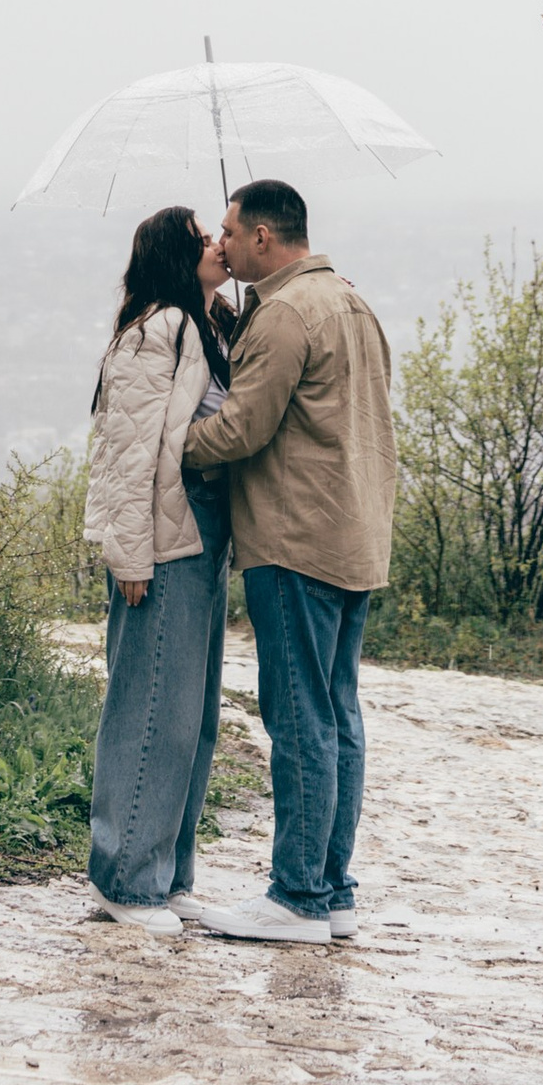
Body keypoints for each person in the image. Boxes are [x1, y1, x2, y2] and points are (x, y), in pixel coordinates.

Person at [178, 177, 396, 947]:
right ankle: (333, 888)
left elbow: (241, 429)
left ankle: (297, 895)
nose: (224, 245)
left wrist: (164, 445)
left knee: (299, 718)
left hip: (295, 539)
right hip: (355, 534)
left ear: (263, 239)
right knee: (337, 716)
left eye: (232, 233)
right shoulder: (349, 302)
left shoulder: (287, 313)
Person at [80, 204, 235, 934]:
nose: (218, 246)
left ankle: (167, 874)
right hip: (163, 539)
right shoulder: (158, 329)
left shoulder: (204, 324)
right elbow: (128, 451)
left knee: (192, 717)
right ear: (178, 255)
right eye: (205, 238)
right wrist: (129, 553)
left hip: (202, 536)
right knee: (150, 710)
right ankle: (125, 880)